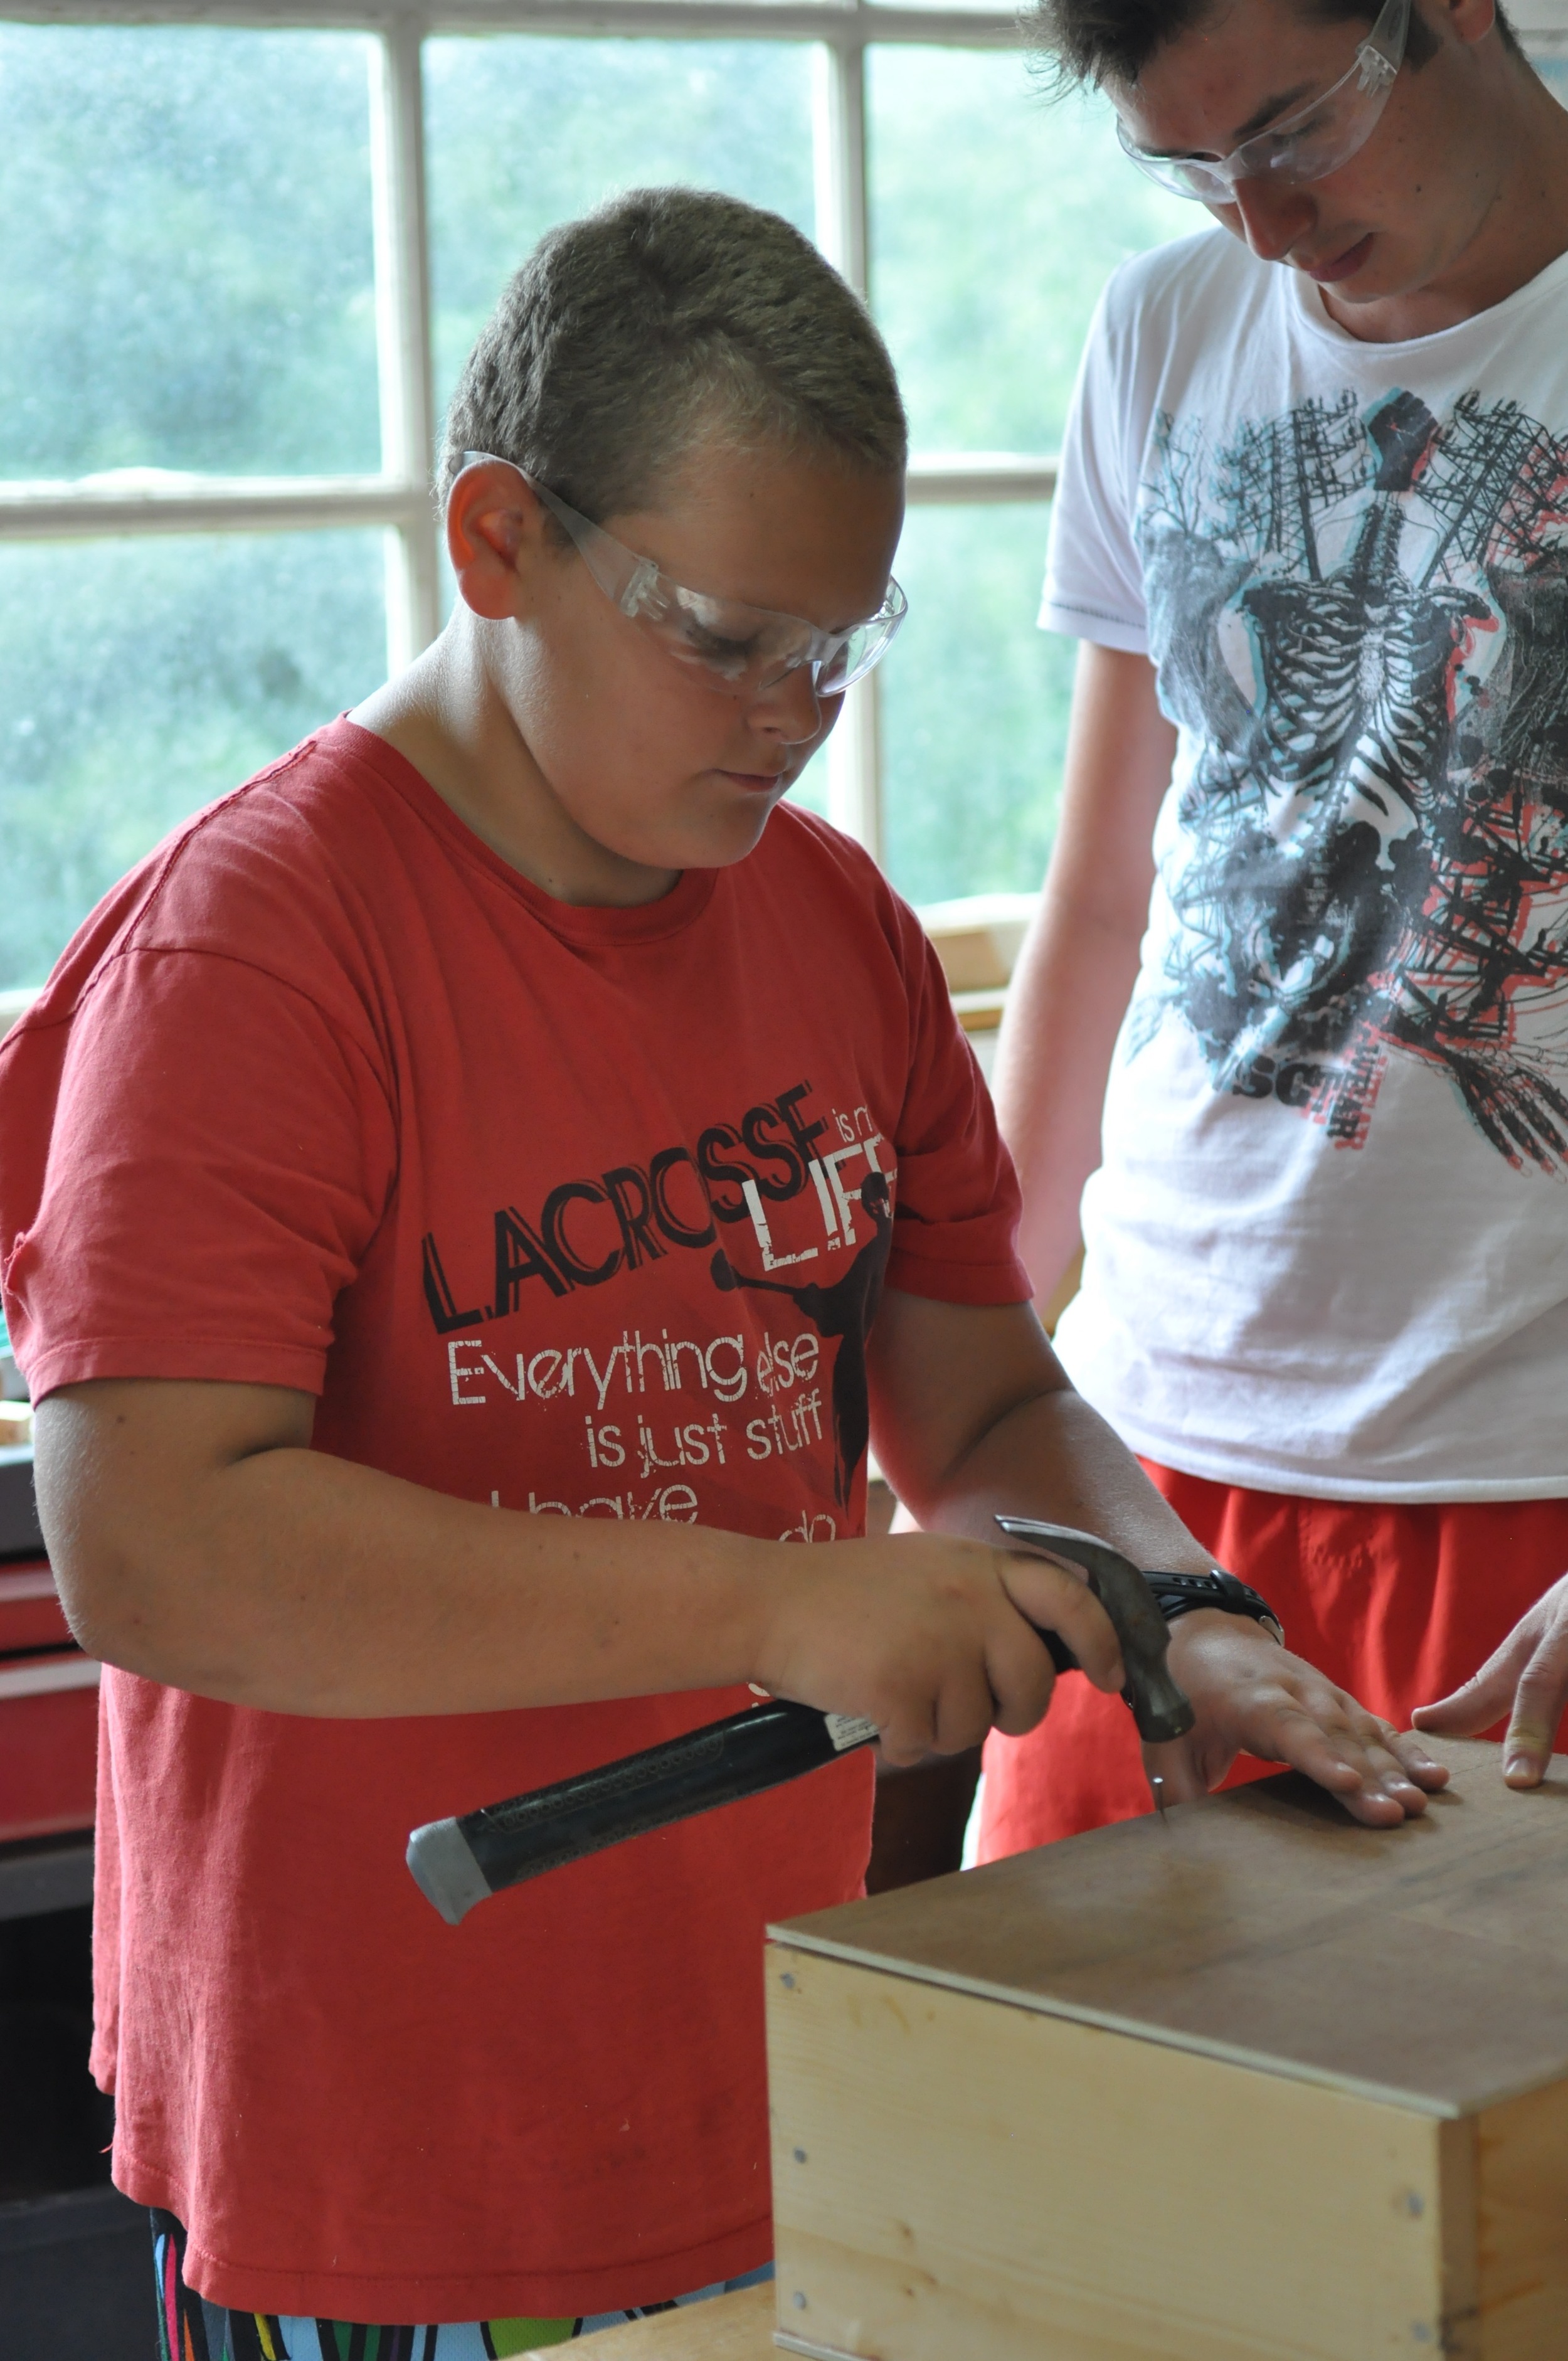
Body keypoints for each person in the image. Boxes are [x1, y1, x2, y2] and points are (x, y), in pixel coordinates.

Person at [0, 190, 1441, 2358]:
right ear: (497, 540)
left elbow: (972, 1401)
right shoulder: (263, 947)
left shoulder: (829, 922)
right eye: (723, 634)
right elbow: (159, 1542)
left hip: (769, 2062)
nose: (795, 717)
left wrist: (1178, 1609)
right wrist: (777, 1599)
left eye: (838, 649)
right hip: (391, 2140)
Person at [980, 0, 1568, 1862]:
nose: (1263, 223)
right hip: (1143, 1444)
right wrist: (973, 1387)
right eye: (1192, 164)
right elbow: (1098, 902)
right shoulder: (1167, 329)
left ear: (1454, 9)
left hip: (1520, 1478)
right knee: (1050, 2122)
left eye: (1297, 129)